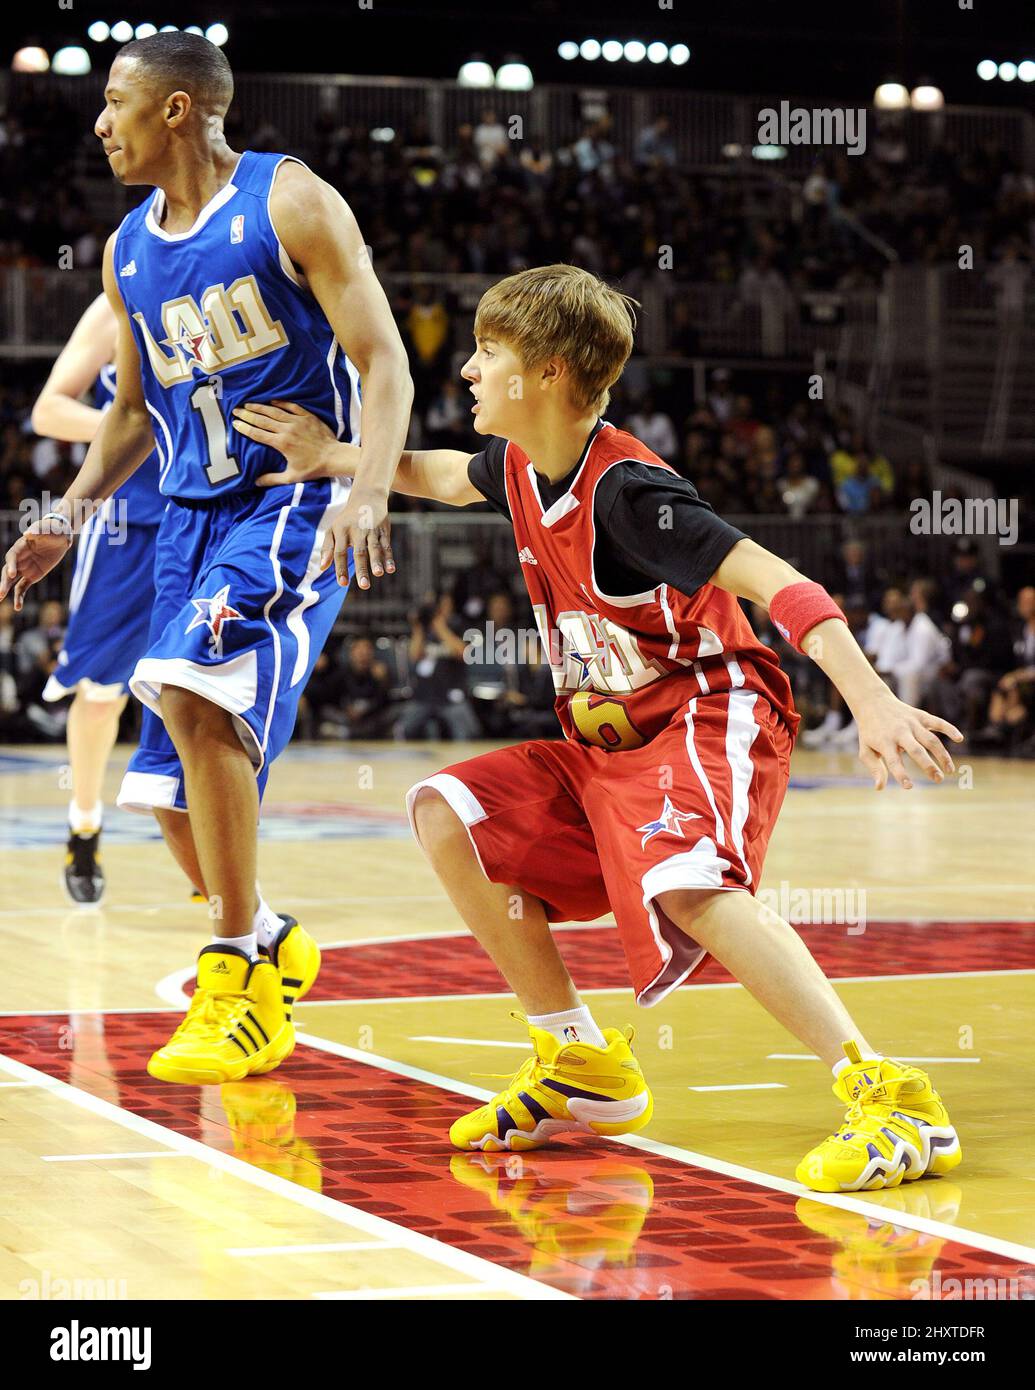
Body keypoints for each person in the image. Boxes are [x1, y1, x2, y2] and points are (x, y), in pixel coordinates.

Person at [232, 263, 964, 1194]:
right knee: (445, 809)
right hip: (608, 743)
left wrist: (868, 698)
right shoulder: (517, 468)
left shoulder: (631, 495)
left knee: (687, 883)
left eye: (486, 352)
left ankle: (891, 1096)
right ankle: (578, 1060)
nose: (464, 370)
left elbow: (780, 581)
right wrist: (337, 454)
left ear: (544, 374)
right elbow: (445, 478)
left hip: (707, 707)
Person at [0, 31, 412, 1085]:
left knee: (188, 687)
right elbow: (133, 410)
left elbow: (383, 359)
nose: (99, 124)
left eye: (115, 103)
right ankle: (273, 940)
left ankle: (232, 971)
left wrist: (365, 486)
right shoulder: (127, 248)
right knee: (164, 794)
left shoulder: (290, 201)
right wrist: (71, 511)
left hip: (287, 496)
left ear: (176, 109)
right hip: (183, 520)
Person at [31, 292, 170, 905]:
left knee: (210, 690)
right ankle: (84, 824)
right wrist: (135, 426)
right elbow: (49, 411)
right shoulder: (119, 302)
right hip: (130, 523)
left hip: (218, 515)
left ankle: (210, 839)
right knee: (98, 696)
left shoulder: (239, 284)